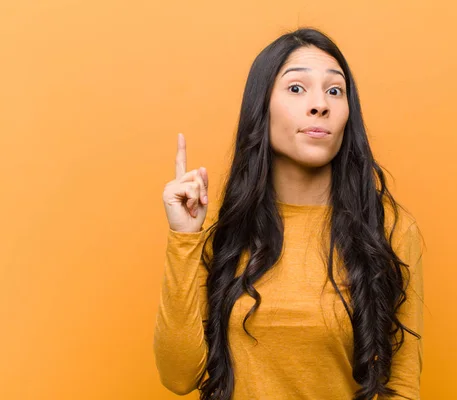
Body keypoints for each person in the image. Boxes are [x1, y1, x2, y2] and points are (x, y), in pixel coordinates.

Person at [154, 27, 425, 400]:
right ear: (261, 107)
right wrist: (184, 238)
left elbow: (403, 384)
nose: (320, 105)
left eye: (334, 90)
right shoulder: (227, 231)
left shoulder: (389, 229)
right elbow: (179, 376)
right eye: (296, 88)